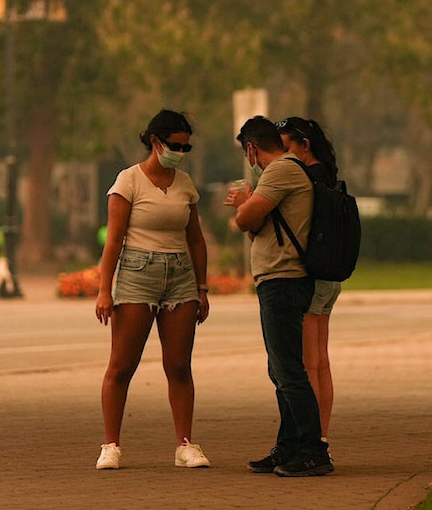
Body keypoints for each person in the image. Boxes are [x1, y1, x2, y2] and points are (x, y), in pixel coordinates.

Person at [93, 109, 211, 470]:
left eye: (186, 147)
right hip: (137, 273)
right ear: (155, 142)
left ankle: (185, 445)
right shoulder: (128, 181)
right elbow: (113, 241)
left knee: (178, 365)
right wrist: (104, 290)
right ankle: (111, 444)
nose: (180, 152)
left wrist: (202, 288)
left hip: (180, 276)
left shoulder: (185, 184)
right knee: (122, 365)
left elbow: (196, 239)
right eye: (175, 145)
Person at [224, 115, 333, 477]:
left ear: (252, 148)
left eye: (247, 153)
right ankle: (287, 447)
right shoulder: (283, 173)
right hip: (276, 278)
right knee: (280, 368)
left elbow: (244, 220)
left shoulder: (281, 171)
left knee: (289, 370)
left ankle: (313, 450)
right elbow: (258, 226)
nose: (248, 160)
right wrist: (250, 210)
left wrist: (246, 201)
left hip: (284, 280)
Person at [275, 116, 341, 456]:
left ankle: (312, 443)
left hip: (311, 275)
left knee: (308, 362)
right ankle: (323, 437)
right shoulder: (329, 175)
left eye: (287, 148)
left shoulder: (305, 178)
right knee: (321, 361)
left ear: (305, 146)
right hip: (331, 274)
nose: (284, 157)